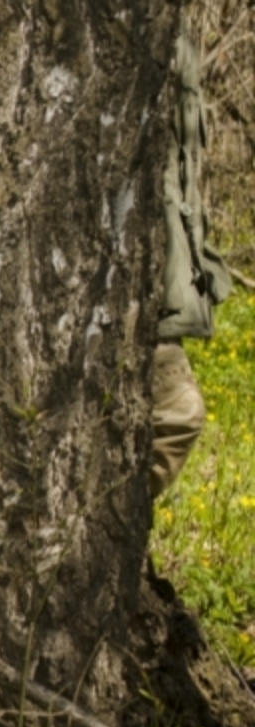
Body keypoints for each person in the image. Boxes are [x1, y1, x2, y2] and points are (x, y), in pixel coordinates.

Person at [152, 16, 231, 499]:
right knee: (177, 412)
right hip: (127, 286)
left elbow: (180, 176)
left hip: (153, 275)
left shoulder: (168, 30)